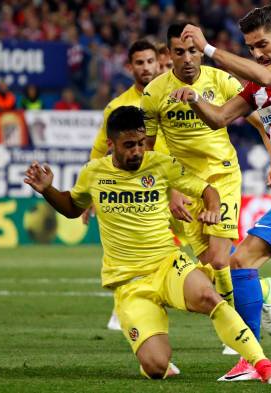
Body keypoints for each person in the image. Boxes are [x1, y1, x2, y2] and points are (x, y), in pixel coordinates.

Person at [23, 106, 271, 384]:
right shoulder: (93, 173)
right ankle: (154, 354)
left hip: (167, 264)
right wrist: (48, 190)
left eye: (140, 143)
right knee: (156, 368)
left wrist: (212, 208)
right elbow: (71, 207)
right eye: (129, 145)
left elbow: (207, 190)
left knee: (209, 298)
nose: (137, 151)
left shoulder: (160, 164)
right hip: (130, 282)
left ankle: (262, 364)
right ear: (111, 144)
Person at [172, 5, 271, 380]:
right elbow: (218, 118)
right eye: (251, 47)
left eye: (262, 43)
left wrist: (209, 50)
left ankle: (251, 358)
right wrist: (195, 99)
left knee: (241, 261)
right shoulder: (258, 90)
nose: (258, 53)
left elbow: (263, 72)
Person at [141, 23, 271, 353]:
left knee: (219, 257)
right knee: (209, 262)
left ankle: (238, 330)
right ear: (169, 54)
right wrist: (170, 189)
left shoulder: (221, 80)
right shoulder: (155, 93)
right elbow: (149, 150)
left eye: (193, 50)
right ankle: (260, 289)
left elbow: (261, 122)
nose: (188, 58)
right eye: (179, 52)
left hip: (222, 176)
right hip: (184, 184)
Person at [86, 39, 169, 331]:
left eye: (150, 62)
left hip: (174, 183)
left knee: (210, 251)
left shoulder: (169, 94)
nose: (146, 68)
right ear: (129, 67)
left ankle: (253, 290)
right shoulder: (117, 106)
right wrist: (88, 195)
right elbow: (99, 152)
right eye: (140, 63)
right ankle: (124, 305)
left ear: (158, 63)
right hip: (135, 190)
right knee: (129, 244)